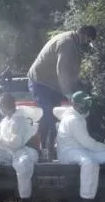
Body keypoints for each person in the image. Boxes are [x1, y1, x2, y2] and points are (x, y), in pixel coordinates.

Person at [28, 25, 97, 160]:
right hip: (40, 82)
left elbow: (72, 70)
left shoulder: (74, 42)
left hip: (52, 83)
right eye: (88, 40)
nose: (87, 43)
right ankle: (44, 149)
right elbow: (62, 72)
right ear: (83, 35)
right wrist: (69, 94)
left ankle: (60, 145)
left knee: (60, 114)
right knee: (47, 113)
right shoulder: (67, 44)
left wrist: (78, 84)